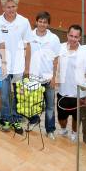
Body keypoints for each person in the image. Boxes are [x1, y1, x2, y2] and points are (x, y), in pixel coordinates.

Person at [0, 0, 33, 134]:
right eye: (8, 7)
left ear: (17, 6)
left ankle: (16, 120)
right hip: (2, 67)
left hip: (18, 67)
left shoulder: (24, 22)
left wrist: (27, 67)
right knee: (4, 95)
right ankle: (6, 120)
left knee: (18, 95)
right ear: (3, 7)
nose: (11, 9)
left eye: (14, 6)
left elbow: (28, 45)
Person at [29, 11, 60, 140]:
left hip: (48, 79)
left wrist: (54, 77)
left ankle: (50, 129)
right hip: (33, 77)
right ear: (36, 22)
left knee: (50, 106)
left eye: (45, 22)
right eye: (40, 21)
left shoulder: (54, 39)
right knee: (33, 103)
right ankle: (33, 121)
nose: (42, 24)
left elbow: (56, 60)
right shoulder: (29, 36)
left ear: (48, 24)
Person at [56, 25, 86, 142]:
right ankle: (64, 129)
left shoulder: (85, 52)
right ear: (67, 35)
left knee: (76, 118)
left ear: (79, 38)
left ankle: (74, 132)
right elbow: (53, 64)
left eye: (76, 37)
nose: (73, 39)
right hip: (62, 92)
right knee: (61, 118)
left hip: (79, 94)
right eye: (71, 36)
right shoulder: (59, 48)